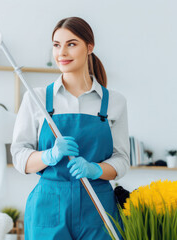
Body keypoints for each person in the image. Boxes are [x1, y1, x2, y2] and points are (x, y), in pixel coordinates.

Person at [10, 17, 130, 240]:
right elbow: (19, 157)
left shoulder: (114, 102)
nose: (61, 52)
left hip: (99, 208)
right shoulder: (35, 98)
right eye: (57, 45)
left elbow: (122, 161)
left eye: (71, 44)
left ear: (90, 47)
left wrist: (95, 169)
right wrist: (50, 155)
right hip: (49, 206)